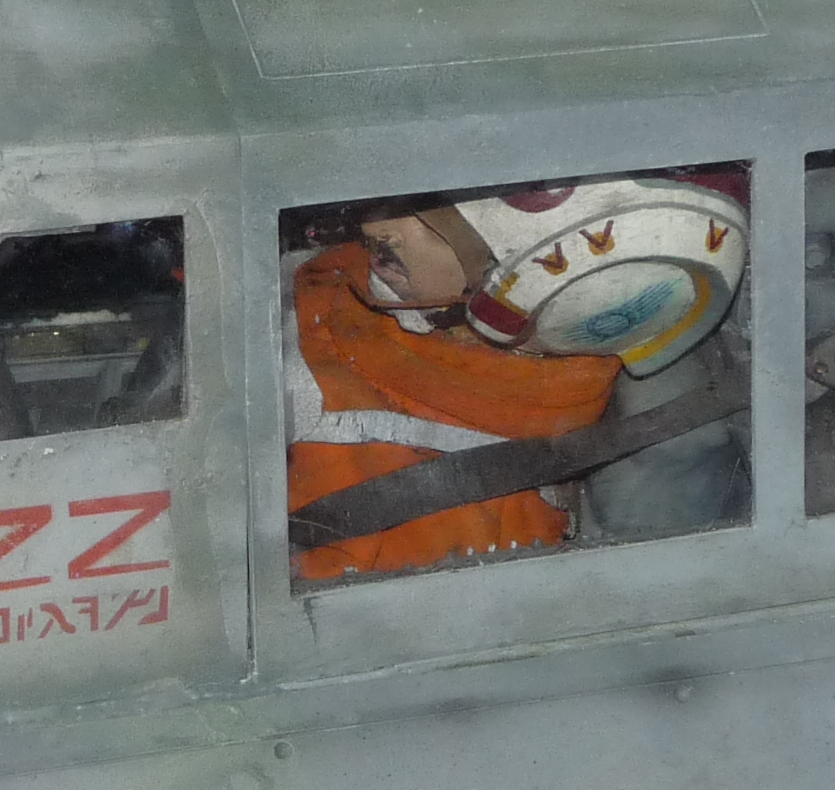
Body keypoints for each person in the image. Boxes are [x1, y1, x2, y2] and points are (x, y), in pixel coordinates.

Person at [290, 179, 749, 581]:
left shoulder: (444, 540)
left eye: (431, 219)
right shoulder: (345, 288)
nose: (376, 225)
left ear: (509, 297)